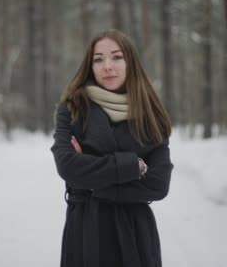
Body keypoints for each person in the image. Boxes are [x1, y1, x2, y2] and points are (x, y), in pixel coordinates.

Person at [51, 29, 173, 267]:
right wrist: (130, 166)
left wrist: (92, 180)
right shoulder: (72, 109)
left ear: (130, 63)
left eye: (116, 57)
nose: (107, 66)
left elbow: (158, 184)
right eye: (98, 59)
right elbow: (67, 166)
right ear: (90, 66)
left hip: (136, 233)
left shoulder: (151, 114)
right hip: (86, 230)